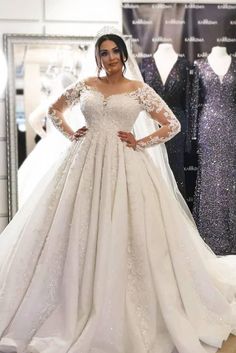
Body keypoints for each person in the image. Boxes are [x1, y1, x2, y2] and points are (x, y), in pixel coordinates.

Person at [0, 29, 236, 353]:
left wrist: (140, 141)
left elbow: (172, 125)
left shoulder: (139, 89)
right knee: (74, 231)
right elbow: (55, 111)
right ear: (98, 57)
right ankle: (71, 302)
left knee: (132, 231)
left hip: (126, 166)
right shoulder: (86, 85)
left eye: (114, 51)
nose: (109, 57)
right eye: (104, 52)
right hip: (82, 165)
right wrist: (72, 134)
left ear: (124, 56)